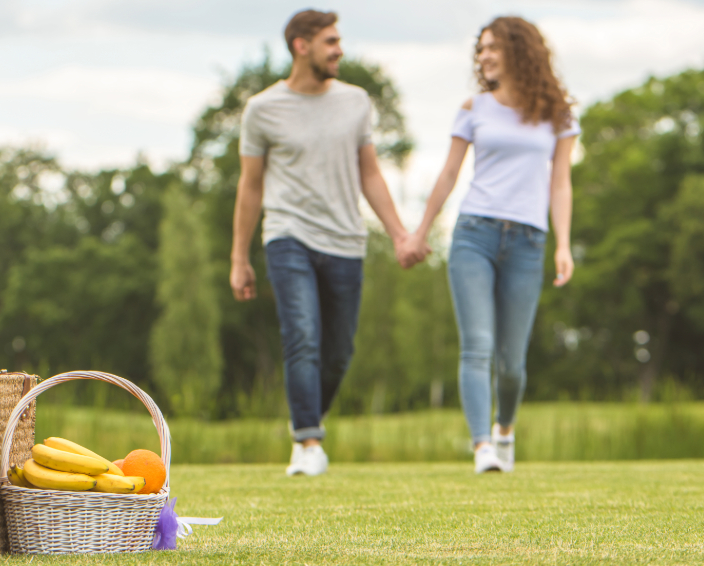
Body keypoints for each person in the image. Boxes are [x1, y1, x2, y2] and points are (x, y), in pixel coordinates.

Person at [230, 9, 420, 476]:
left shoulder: (355, 101)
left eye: (339, 41)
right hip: (287, 235)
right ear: (301, 45)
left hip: (346, 241)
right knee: (302, 336)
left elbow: (370, 173)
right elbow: (250, 186)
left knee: (338, 353)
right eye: (330, 41)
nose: (339, 49)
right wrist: (239, 257)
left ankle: (310, 414)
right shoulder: (263, 109)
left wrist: (399, 233)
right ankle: (308, 442)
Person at [401, 16, 579, 473]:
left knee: (512, 363)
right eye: (479, 49)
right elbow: (448, 174)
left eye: (492, 47)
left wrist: (564, 245)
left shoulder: (557, 113)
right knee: (476, 345)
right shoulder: (474, 107)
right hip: (474, 235)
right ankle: (481, 446)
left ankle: (504, 430)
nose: (483, 57)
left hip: (527, 240)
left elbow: (560, 184)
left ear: (520, 51)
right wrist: (420, 232)